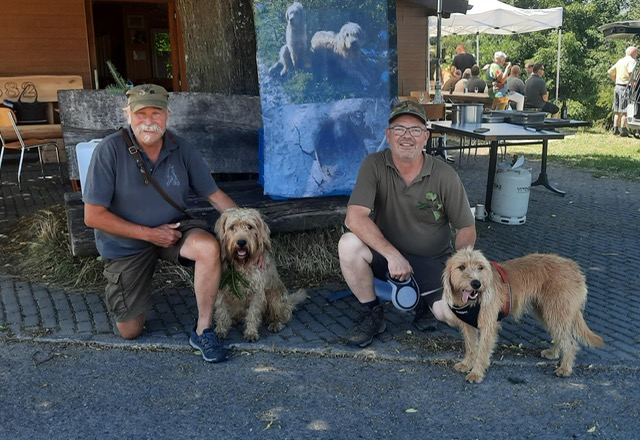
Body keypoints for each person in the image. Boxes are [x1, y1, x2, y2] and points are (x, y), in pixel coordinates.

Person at [83, 84, 241, 363]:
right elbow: (93, 216)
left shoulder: (182, 148)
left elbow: (215, 196)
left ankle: (203, 329)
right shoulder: (109, 150)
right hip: (126, 244)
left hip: (173, 231)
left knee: (208, 247)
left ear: (168, 115)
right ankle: (131, 297)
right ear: (128, 115)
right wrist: (149, 234)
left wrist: (249, 231)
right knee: (131, 330)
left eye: (156, 113)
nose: (148, 120)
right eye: (141, 113)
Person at [338, 100, 477, 348]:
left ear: (426, 137)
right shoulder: (374, 165)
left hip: (433, 262)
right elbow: (354, 217)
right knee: (348, 244)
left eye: (415, 130)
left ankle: (428, 304)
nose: (407, 136)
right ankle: (372, 313)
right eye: (399, 129)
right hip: (387, 258)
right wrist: (392, 254)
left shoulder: (446, 175)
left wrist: (461, 271)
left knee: (451, 315)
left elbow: (466, 228)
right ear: (388, 135)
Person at [608, 46, 638, 136]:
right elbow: (630, 72)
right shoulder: (632, 61)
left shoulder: (620, 60)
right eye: (636, 53)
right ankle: (623, 130)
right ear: (633, 53)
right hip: (625, 87)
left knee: (617, 110)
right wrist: (633, 83)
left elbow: (610, 71)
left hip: (617, 86)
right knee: (625, 109)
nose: (637, 55)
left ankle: (615, 128)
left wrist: (615, 80)